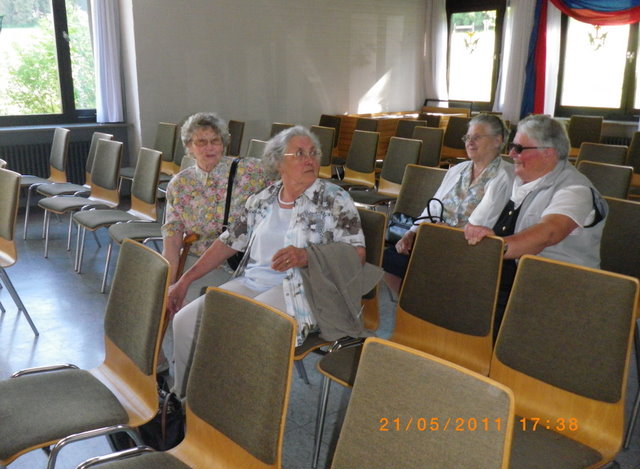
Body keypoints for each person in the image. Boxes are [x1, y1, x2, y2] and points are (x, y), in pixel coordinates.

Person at [167, 126, 368, 396]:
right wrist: (184, 281)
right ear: (279, 162)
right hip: (254, 283)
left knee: (243, 325)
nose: (310, 160)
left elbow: (357, 255)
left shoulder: (334, 199)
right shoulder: (264, 199)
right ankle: (184, 400)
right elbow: (227, 242)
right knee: (185, 321)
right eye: (299, 154)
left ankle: (227, 404)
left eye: (313, 153)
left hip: (308, 289)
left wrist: (307, 256)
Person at [464, 114, 607, 334]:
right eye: (512, 147)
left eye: (519, 148)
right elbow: (475, 224)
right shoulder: (507, 177)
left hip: (556, 288)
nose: (511, 154)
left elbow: (548, 233)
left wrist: (495, 246)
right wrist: (474, 233)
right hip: (505, 279)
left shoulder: (575, 190)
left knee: (477, 319)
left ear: (548, 153)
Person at [383, 113, 515, 294]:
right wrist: (411, 233)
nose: (470, 142)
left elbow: (485, 223)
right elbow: (433, 208)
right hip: (437, 238)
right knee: (390, 256)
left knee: (420, 265)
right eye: (467, 137)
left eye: (477, 137)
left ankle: (424, 303)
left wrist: (447, 234)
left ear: (497, 141)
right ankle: (411, 304)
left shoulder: (506, 176)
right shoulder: (457, 170)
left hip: (469, 247)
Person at [162, 112, 269, 294]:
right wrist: (168, 287)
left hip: (242, 265)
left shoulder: (250, 171)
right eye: (201, 142)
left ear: (223, 144)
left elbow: (291, 179)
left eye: (215, 141)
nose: (209, 148)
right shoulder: (180, 185)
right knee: (179, 305)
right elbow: (172, 241)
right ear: (189, 147)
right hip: (197, 263)